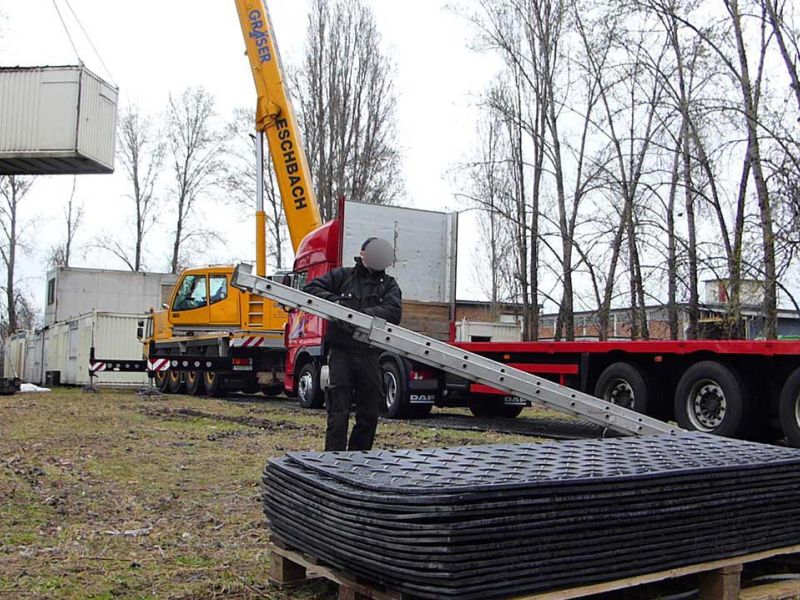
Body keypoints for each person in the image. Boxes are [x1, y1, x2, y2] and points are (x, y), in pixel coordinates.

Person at [303, 237, 402, 451]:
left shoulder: (389, 285)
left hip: (370, 355)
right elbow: (311, 289)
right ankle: (334, 460)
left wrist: (360, 316)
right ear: (362, 253)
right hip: (341, 353)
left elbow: (394, 313)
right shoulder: (343, 276)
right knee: (338, 412)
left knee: (369, 413)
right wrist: (338, 306)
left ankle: (359, 459)